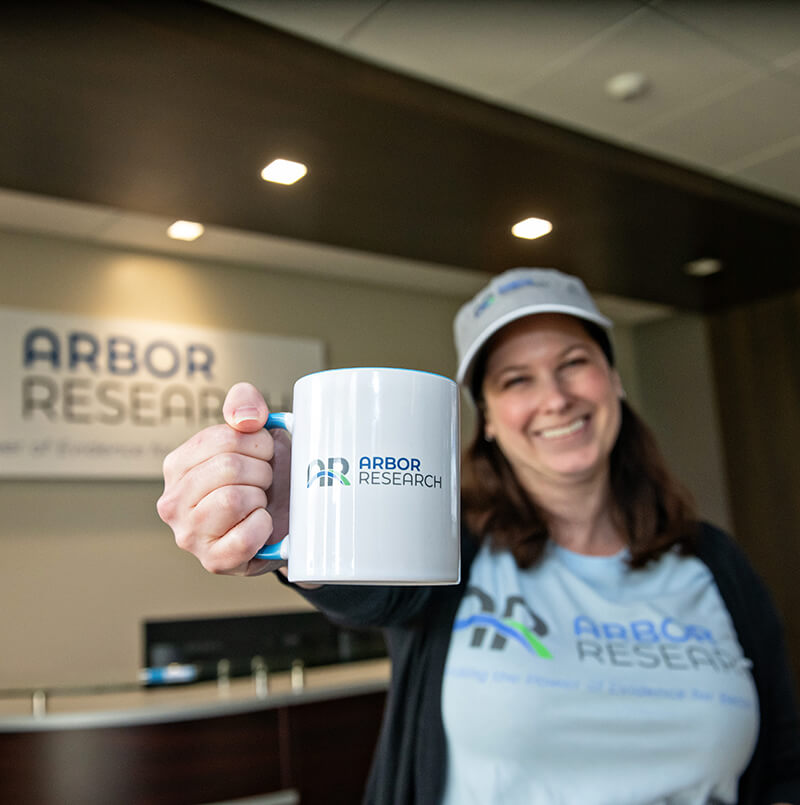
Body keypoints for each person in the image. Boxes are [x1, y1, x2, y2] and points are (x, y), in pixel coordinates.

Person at [157, 267, 800, 805]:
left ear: (615, 383)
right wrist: (295, 521)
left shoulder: (714, 561)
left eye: (575, 364)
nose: (554, 398)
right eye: (516, 379)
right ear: (488, 418)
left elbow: (784, 761)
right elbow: (367, 590)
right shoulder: (452, 549)